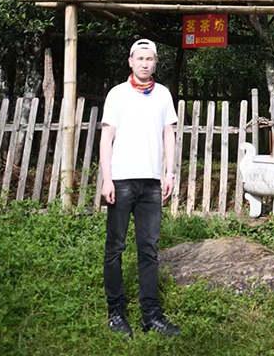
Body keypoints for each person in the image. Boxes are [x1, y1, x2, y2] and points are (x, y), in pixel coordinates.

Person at [100, 38, 181, 338]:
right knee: (115, 248)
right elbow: (106, 138)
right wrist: (107, 178)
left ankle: (151, 315)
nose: (145, 63)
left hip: (151, 184)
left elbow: (168, 134)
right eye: (140, 58)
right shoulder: (117, 95)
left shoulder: (162, 95)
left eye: (150, 59)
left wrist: (169, 173)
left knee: (149, 250)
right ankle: (116, 312)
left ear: (156, 62)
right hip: (121, 181)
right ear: (130, 62)